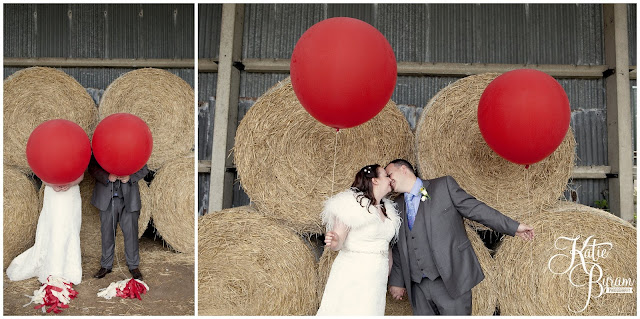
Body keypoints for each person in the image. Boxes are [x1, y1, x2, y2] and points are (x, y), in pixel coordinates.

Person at [385, 159, 535, 315]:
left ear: (403, 169)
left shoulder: (442, 187)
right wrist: (397, 281)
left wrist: (513, 227)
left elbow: (477, 210)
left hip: (450, 281)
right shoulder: (396, 205)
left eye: (390, 174)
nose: (388, 180)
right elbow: (399, 247)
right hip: (418, 288)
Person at [317, 164, 401, 316]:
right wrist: (334, 239)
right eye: (385, 175)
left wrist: (388, 273)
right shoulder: (352, 205)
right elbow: (338, 241)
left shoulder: (387, 210)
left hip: (377, 277)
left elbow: (385, 246)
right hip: (354, 273)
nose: (390, 179)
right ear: (375, 180)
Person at [7, 174, 84, 285]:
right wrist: (52, 184)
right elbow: (41, 172)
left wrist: (71, 183)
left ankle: (69, 270)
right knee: (54, 228)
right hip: (53, 193)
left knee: (70, 227)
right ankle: (53, 270)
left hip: (71, 193)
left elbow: (81, 174)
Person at [89, 156, 148, 280]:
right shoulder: (100, 143)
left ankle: (133, 266)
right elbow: (92, 167)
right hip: (106, 200)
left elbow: (144, 169)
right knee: (107, 233)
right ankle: (106, 265)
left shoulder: (133, 146)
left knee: (131, 233)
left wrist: (130, 177)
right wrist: (107, 177)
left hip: (129, 199)